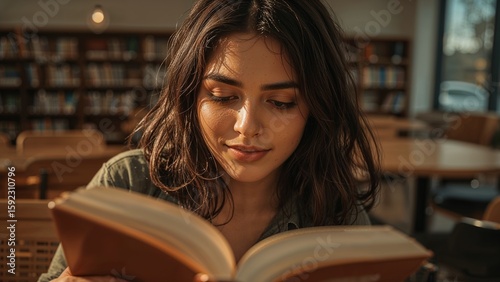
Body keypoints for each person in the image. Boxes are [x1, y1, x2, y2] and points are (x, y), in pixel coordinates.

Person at [38, 0, 380, 281]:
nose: (247, 127)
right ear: (190, 95)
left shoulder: (338, 212)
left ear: (318, 107)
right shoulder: (128, 184)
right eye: (222, 95)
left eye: (281, 103)